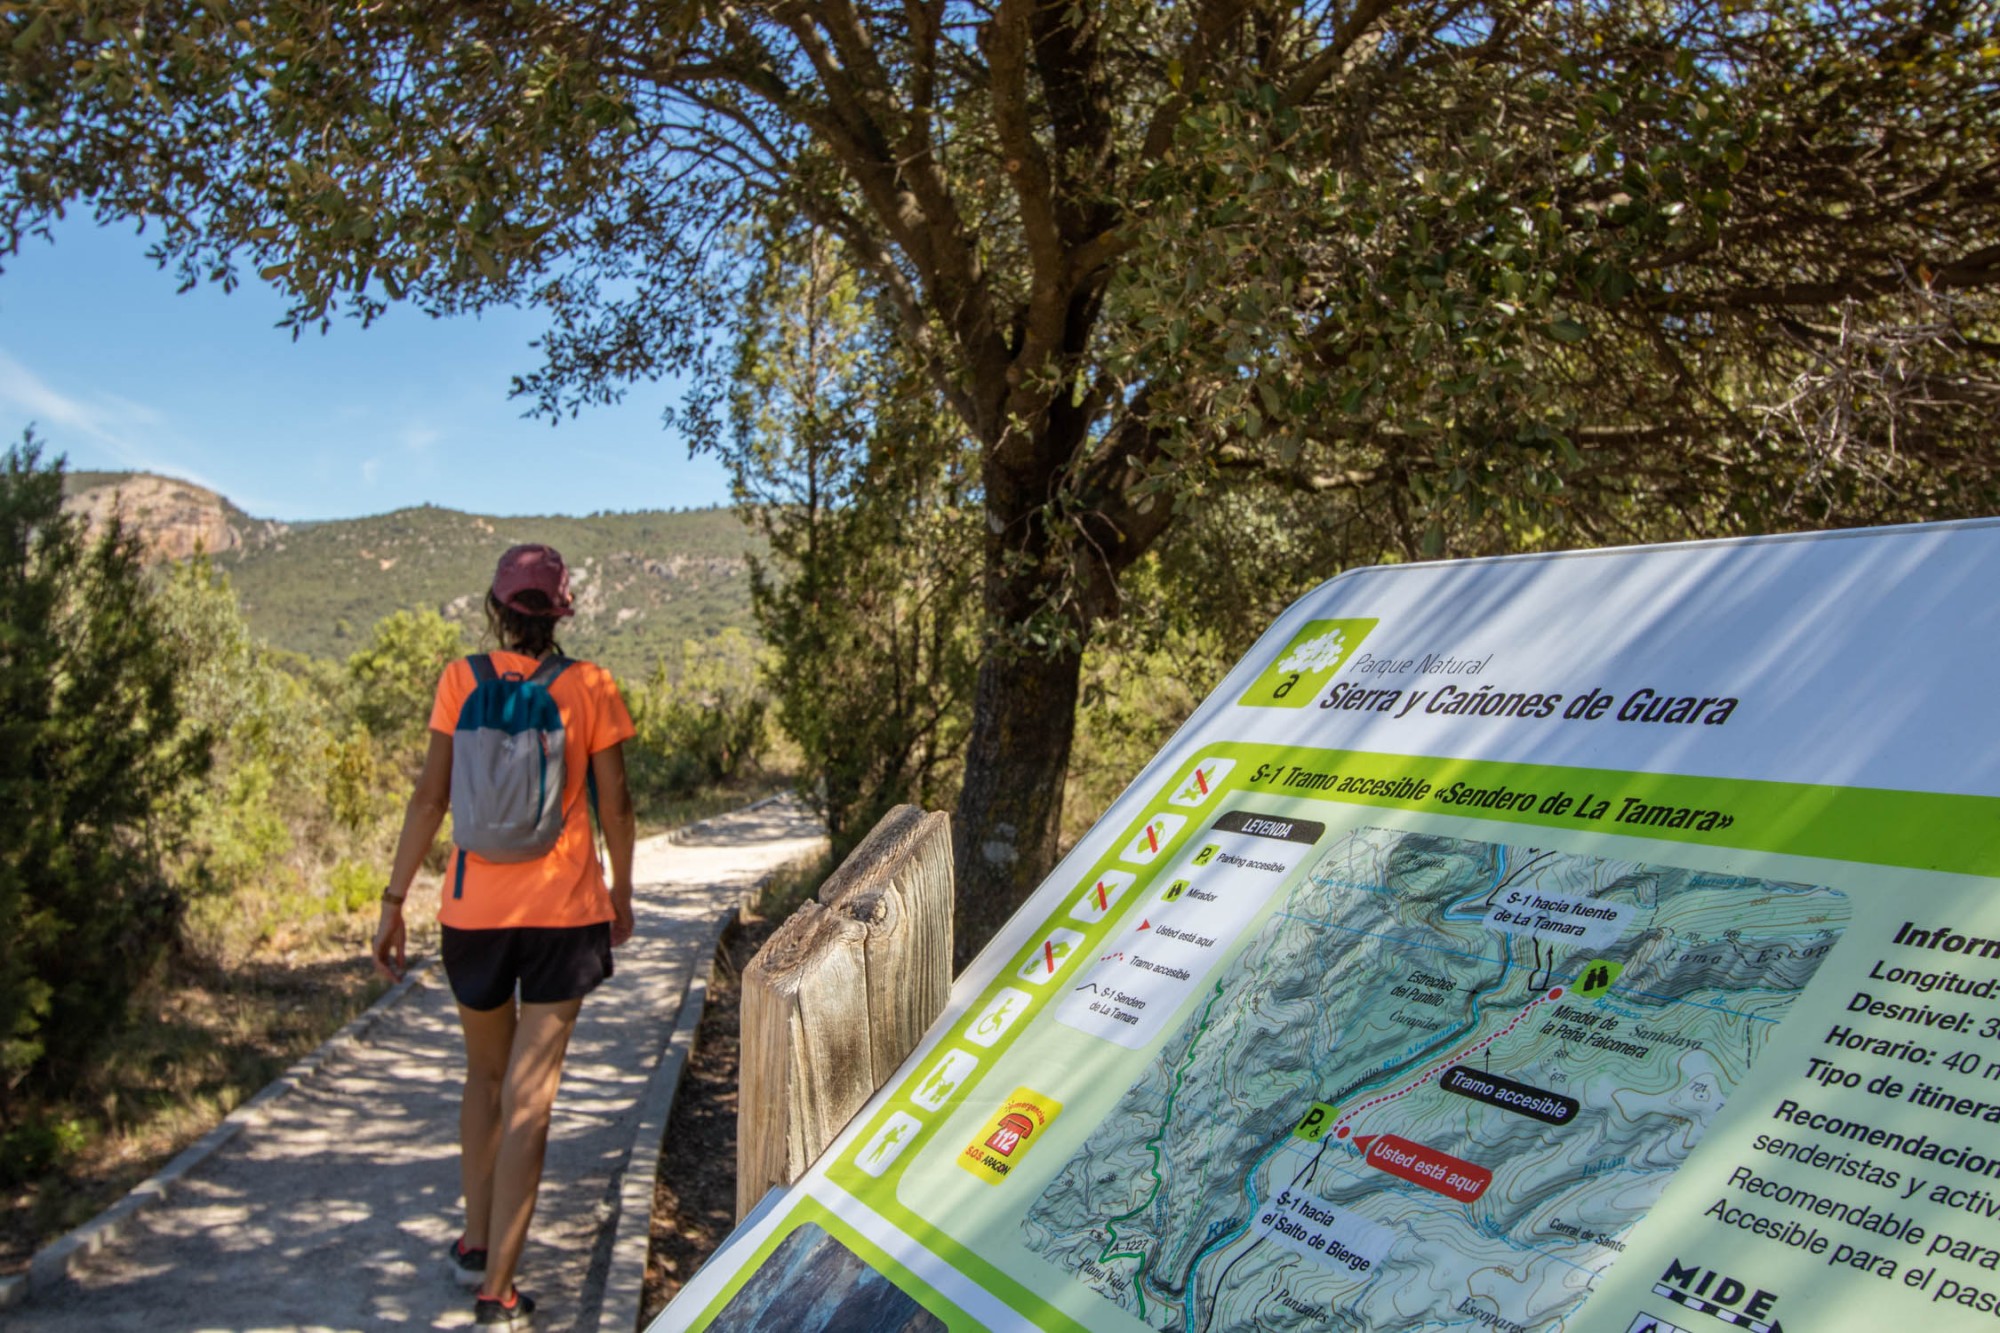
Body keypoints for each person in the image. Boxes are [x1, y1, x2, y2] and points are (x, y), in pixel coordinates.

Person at [372, 543, 637, 1329]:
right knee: (532, 1099)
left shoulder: (461, 679)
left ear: (495, 607)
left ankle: (475, 1238)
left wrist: (394, 900)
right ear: (559, 614)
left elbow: (429, 797)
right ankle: (500, 1291)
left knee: (484, 1079)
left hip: (472, 914)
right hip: (563, 917)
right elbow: (616, 804)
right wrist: (620, 890)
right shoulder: (589, 685)